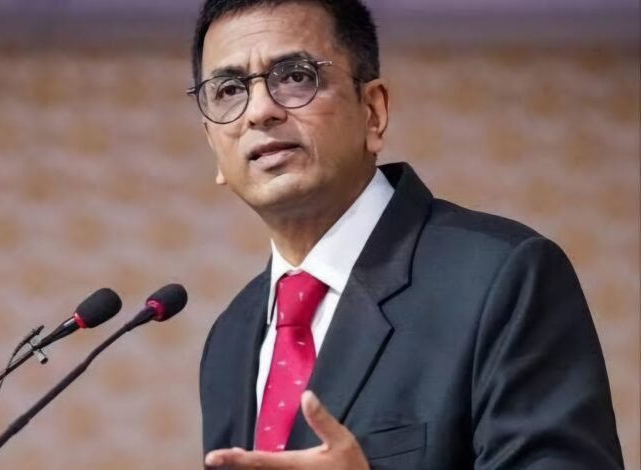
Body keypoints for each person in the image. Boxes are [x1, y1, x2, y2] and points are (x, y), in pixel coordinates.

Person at [189, 1, 624, 468]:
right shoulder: (230, 336)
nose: (259, 111)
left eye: (295, 76)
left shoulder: (502, 276)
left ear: (373, 112)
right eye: (229, 89)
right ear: (213, 145)